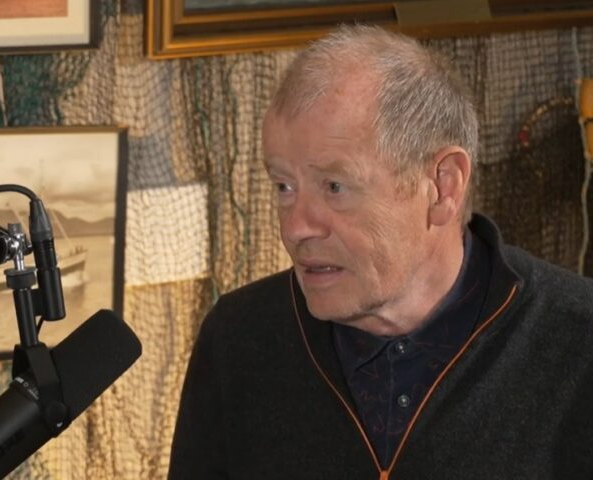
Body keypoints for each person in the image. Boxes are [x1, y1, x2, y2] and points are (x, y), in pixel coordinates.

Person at [167, 24, 593, 480]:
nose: (295, 228)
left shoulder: (578, 343)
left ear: (442, 187)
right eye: (284, 186)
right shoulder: (238, 338)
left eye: (335, 186)